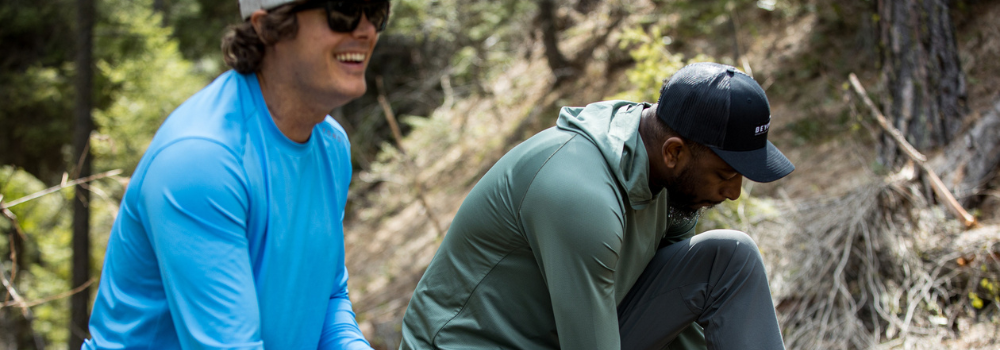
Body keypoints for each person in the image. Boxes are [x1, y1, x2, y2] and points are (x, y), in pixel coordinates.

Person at [399, 62, 794, 350]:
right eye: (726, 174)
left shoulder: (667, 178)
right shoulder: (581, 196)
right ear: (674, 152)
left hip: (570, 334)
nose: (734, 192)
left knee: (729, 257)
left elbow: (680, 307)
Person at [83, 0, 390, 348]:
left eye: (377, 11)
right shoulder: (202, 159)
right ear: (267, 26)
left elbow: (329, 300)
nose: (365, 30)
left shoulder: (331, 145)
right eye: (343, 13)